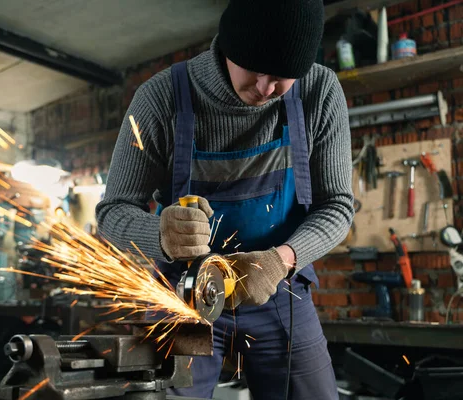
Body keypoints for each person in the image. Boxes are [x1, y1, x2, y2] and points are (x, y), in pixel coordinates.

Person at [96, 1, 354, 399]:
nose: (267, 89)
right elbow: (113, 212)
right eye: (256, 69)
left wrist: (281, 260)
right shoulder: (161, 98)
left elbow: (337, 206)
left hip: (280, 290)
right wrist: (161, 235)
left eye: (283, 76)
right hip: (184, 296)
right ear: (229, 44)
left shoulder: (318, 91)